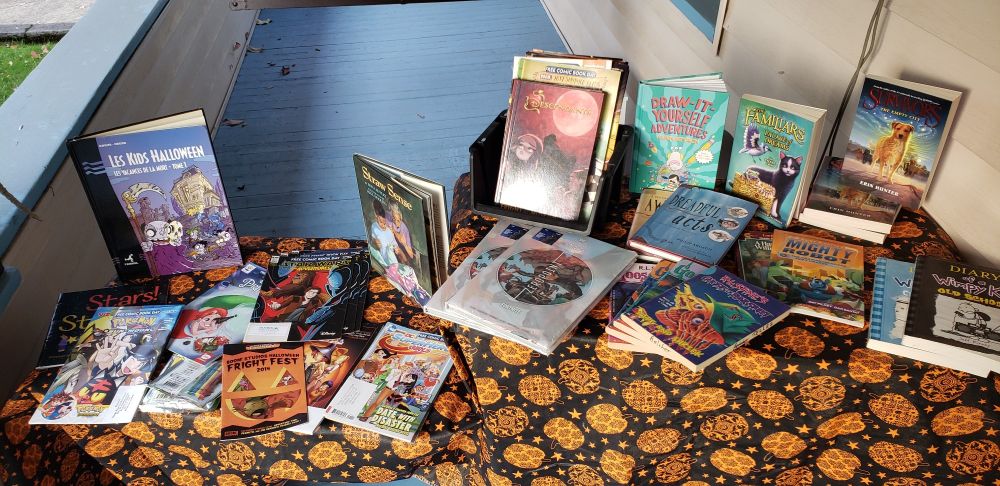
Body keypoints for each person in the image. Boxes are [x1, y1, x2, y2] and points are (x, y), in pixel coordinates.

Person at [368, 199, 399, 268]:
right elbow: (373, 238)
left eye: (384, 223)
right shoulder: (374, 226)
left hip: (391, 256)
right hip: (382, 255)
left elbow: (393, 240)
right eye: (381, 222)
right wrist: (375, 241)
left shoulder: (389, 228)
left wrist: (396, 247)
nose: (383, 225)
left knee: (393, 266)